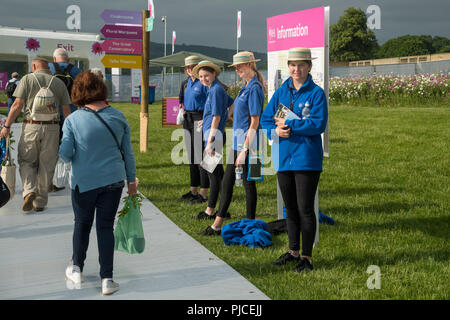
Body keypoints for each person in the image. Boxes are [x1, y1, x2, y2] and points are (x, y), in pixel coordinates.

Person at [59, 70, 137, 295]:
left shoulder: (73, 120)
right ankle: (107, 279)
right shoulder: (119, 117)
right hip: (113, 181)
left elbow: (65, 154)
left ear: (78, 92)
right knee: (105, 227)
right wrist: (131, 180)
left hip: (83, 182)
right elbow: (128, 154)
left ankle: (76, 269)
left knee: (81, 224)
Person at [260, 47, 328, 273]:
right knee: (289, 209)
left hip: (306, 159)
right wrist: (275, 132)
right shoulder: (282, 91)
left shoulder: (316, 94)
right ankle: (293, 252)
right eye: (292, 65)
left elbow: (318, 124)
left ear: (309, 66)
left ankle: (307, 258)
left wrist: (290, 124)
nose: (296, 69)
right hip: (283, 158)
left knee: (305, 209)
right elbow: (266, 120)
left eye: (301, 65)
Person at [198, 51, 265, 236]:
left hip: (248, 144)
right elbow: (231, 114)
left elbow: (255, 121)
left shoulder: (254, 88)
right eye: (235, 67)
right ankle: (244, 222)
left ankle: (218, 224)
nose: (237, 69)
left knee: (236, 182)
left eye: (240, 66)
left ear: (250, 64)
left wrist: (245, 150)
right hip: (239, 142)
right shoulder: (245, 87)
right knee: (244, 182)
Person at [0, 57, 71, 212]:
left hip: (31, 126)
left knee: (26, 160)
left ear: (34, 66)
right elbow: (66, 112)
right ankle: (40, 202)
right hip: (52, 128)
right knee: (47, 164)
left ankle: (29, 190)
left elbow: (17, 105)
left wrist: (6, 126)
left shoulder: (27, 79)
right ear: (48, 68)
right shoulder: (59, 83)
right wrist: (68, 133)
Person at [192, 61, 233, 235]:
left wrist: (210, 141)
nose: (203, 79)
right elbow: (231, 103)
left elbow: (217, 115)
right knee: (219, 175)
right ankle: (223, 209)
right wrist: (207, 120)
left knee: (213, 174)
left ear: (214, 74)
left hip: (213, 137)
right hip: (212, 133)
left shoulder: (216, 90)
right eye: (200, 76)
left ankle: (210, 211)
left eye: (206, 75)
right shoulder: (213, 88)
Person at [48, 48, 82, 192]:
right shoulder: (76, 71)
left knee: (50, 147)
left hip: (51, 113)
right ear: (67, 59)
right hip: (71, 113)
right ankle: (71, 177)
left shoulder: (49, 68)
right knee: (71, 144)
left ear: (55, 59)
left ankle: (49, 180)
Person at [178, 55, 210, 204]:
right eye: (188, 67)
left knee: (200, 156)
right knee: (191, 155)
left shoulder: (203, 82)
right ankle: (193, 189)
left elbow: (211, 100)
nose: (190, 69)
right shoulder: (185, 84)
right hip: (188, 118)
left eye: (193, 66)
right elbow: (181, 100)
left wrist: (206, 117)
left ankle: (203, 191)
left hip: (199, 117)